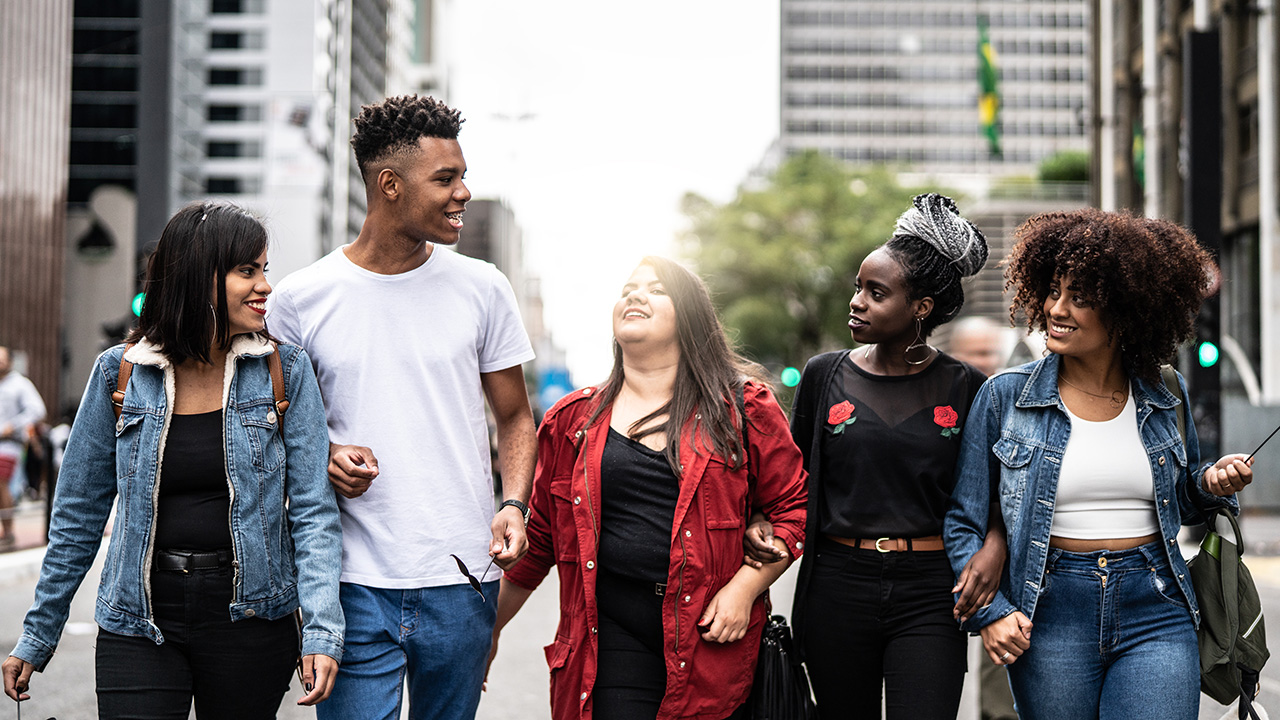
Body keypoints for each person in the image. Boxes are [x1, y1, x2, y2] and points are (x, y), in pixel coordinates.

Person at [2, 202, 344, 716]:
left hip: (251, 619)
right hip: (137, 620)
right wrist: (38, 633)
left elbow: (315, 513)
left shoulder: (284, 371)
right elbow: (77, 516)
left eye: (264, 270)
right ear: (197, 276)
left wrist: (320, 629)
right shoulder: (119, 374)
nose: (265, 286)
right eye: (246, 270)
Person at [267, 94, 537, 720]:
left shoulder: (484, 288)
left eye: (463, 175)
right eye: (445, 178)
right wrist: (326, 455)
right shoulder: (299, 300)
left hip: (461, 578)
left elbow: (516, 418)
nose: (463, 192)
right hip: (348, 581)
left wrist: (514, 503)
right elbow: (272, 429)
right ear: (389, 184)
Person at [944, 209, 1254, 720]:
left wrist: (1214, 482)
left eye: (1080, 299)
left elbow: (1187, 503)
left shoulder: (1164, 391)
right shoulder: (1005, 397)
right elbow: (963, 521)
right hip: (1050, 608)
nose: (1055, 309)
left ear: (1126, 312)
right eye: (1053, 291)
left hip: (1155, 603)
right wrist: (993, 614)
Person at [491, 256, 808, 720]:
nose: (634, 295)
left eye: (657, 289)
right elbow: (539, 540)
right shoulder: (571, 420)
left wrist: (744, 589)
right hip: (608, 638)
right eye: (628, 288)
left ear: (691, 318)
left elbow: (792, 507)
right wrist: (489, 632)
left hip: (709, 636)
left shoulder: (744, 408)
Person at [747, 193, 1002, 718]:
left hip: (932, 592)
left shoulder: (969, 387)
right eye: (858, 287)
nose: (857, 301)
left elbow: (995, 493)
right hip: (836, 585)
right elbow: (786, 480)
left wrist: (995, 545)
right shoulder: (824, 374)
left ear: (921, 308)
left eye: (876, 292)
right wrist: (757, 516)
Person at [0, 345, 46, 549]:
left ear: (10, 361)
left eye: (2, 358)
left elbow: (37, 411)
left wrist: (13, 426)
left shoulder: (20, 384)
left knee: (1, 484)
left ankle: (8, 532)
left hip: (8, 445)